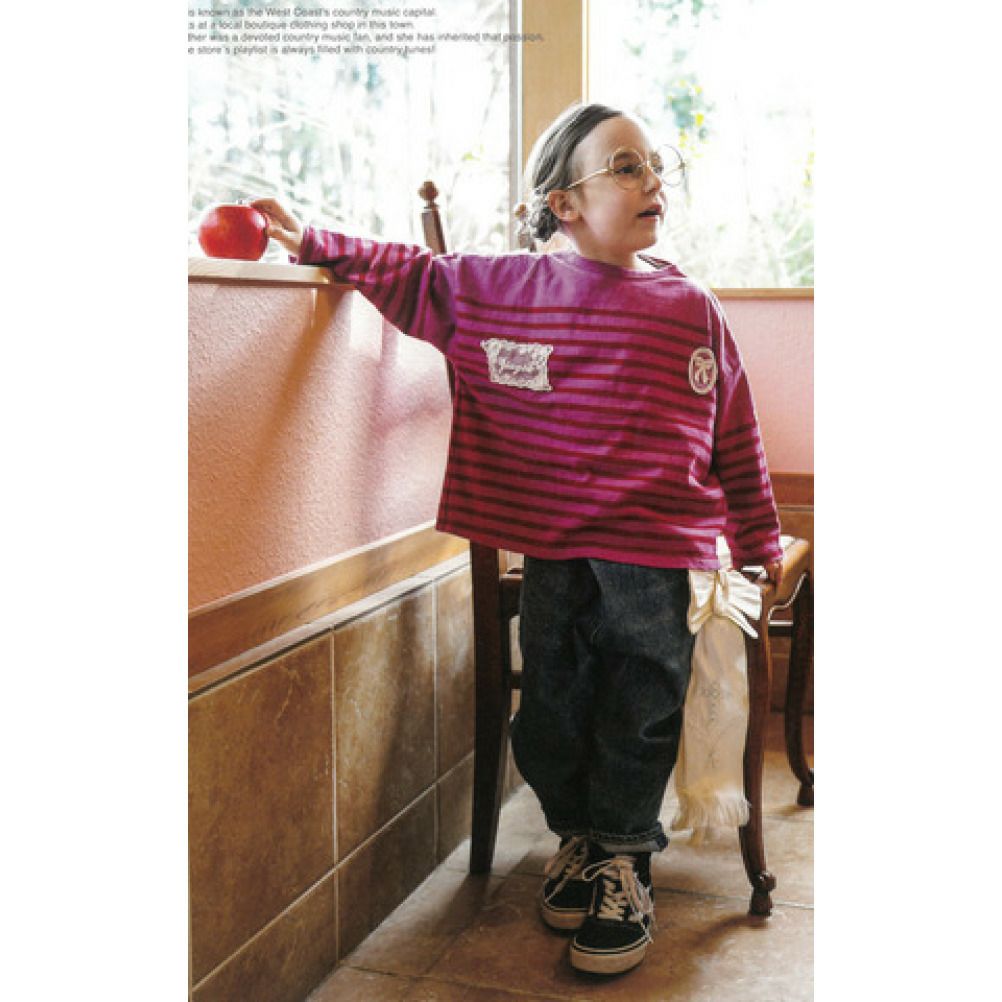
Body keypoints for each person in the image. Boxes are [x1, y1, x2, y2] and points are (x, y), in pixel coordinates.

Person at [251, 101, 783, 977]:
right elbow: (413, 276)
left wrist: (758, 533)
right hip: (552, 548)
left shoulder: (692, 307)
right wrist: (311, 239)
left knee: (639, 710)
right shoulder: (503, 289)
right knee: (551, 709)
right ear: (563, 204)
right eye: (625, 166)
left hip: (658, 557)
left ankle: (623, 858)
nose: (651, 180)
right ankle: (580, 836)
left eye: (655, 165)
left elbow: (735, 430)